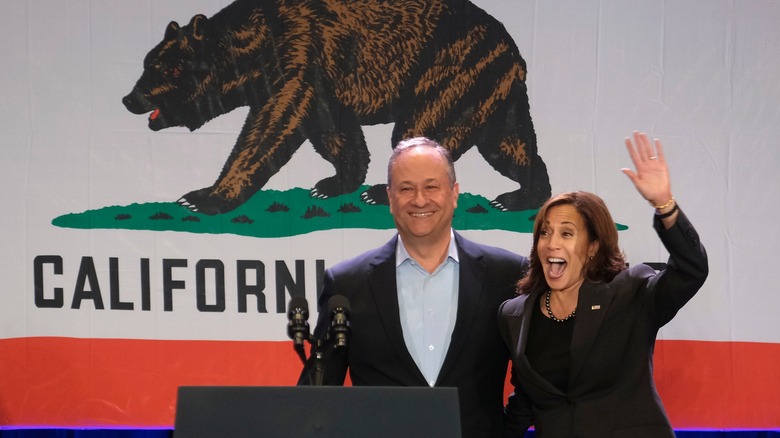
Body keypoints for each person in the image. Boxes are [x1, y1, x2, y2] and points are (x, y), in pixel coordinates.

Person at [298, 137, 529, 438]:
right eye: (406, 188)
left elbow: (534, 381)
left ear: (454, 193)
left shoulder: (508, 275)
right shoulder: (346, 285)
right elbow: (316, 393)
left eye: (431, 186)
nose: (420, 200)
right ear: (390, 197)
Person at [498, 131, 709, 437]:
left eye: (567, 234)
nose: (552, 243)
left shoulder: (630, 292)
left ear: (593, 246)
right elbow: (527, 402)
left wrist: (665, 205)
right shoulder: (514, 315)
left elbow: (691, 271)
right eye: (545, 232)